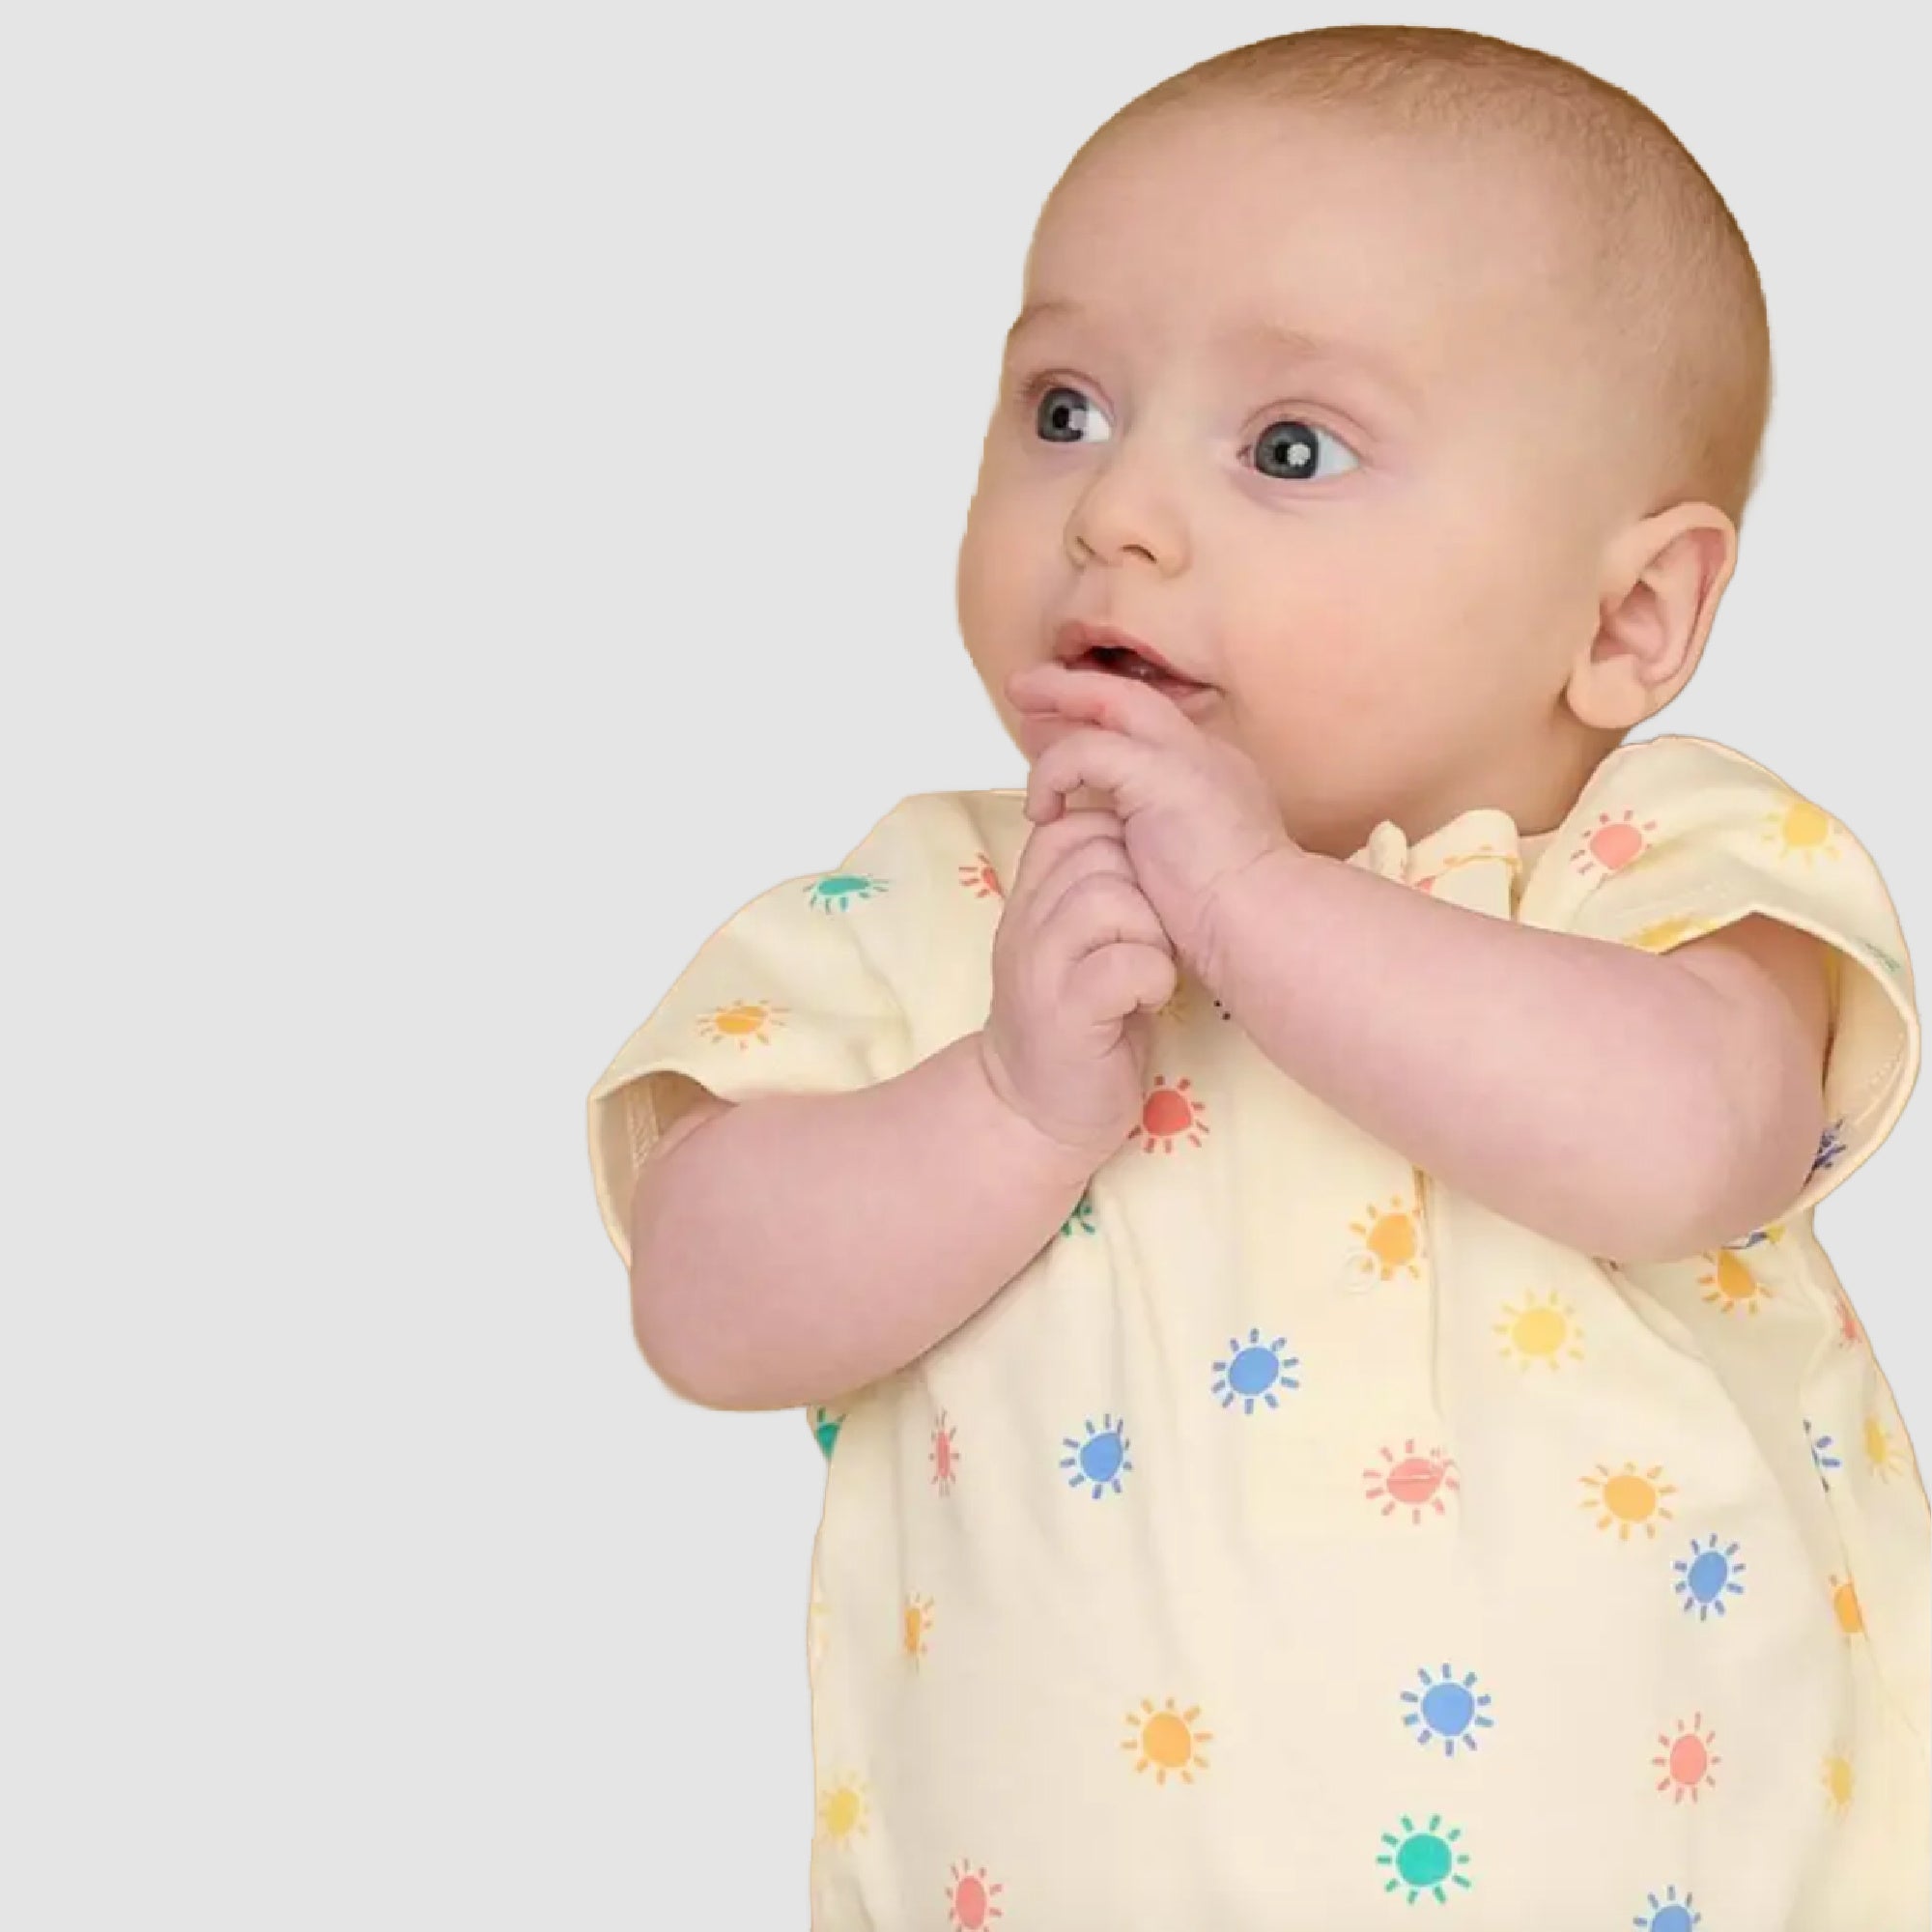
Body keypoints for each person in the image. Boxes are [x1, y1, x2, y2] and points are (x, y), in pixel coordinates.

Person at [585, 25, 1926, 1928]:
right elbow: (702, 1308)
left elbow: (1692, 1144)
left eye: (1290, 448)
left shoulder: (1655, 875)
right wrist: (1004, 1101)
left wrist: (1254, 907)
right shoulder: (943, 908)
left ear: (1628, 615)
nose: (1113, 512)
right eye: (1064, 408)